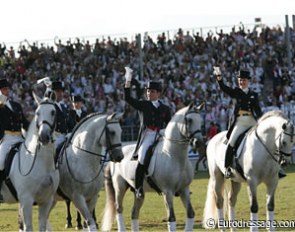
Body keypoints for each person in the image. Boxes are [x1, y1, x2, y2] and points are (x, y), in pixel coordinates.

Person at [124, 67, 171, 199]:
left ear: (158, 93)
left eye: (152, 91)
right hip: (148, 136)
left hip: (161, 135)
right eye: (148, 91)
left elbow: (170, 124)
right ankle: (138, 188)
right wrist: (128, 80)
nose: (149, 93)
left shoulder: (165, 108)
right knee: (142, 158)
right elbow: (127, 98)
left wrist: (165, 131)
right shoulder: (143, 105)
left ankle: (175, 185)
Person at [214, 68, 263, 178]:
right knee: (231, 142)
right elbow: (223, 87)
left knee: (265, 138)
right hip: (240, 122)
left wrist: (261, 121)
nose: (242, 82)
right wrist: (219, 77)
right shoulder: (236, 92)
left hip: (251, 120)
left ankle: (273, 166)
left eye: (244, 80)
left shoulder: (254, 95)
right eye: (240, 80)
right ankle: (227, 168)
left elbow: (258, 110)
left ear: (248, 81)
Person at [0, 78, 30, 188]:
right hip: (7, 138)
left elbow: (24, 122)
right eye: (3, 89)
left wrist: (34, 128)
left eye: (7, 89)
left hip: (19, 138)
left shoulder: (16, 105)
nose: (6, 91)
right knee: (0, 162)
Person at [51, 81, 75, 150]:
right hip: (55, 138)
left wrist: (70, 133)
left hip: (66, 137)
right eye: (58, 91)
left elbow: (71, 124)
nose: (61, 93)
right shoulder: (51, 106)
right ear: (53, 92)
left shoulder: (64, 108)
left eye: (62, 91)